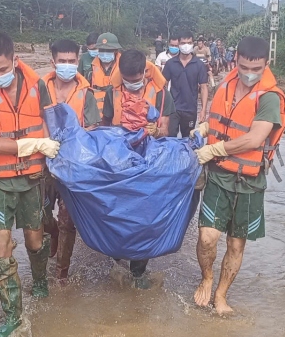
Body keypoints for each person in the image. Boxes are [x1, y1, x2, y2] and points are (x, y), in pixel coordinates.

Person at [0, 32, 60, 337]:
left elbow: (52, 124)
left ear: (14, 60)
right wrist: (32, 144)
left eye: (1, 69)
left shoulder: (38, 86)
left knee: (35, 240)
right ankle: (13, 316)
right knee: (1, 249)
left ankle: (41, 282)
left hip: (31, 180)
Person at [192, 37, 285, 315]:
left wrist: (216, 148)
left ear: (265, 65)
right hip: (219, 175)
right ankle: (207, 278)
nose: (249, 73)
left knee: (235, 243)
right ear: (236, 61)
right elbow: (223, 119)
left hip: (249, 180)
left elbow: (256, 137)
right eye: (244, 66)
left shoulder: (269, 97)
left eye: (256, 68)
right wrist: (204, 128)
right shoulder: (227, 84)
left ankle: (221, 295)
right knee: (208, 237)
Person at [101, 49, 172, 288]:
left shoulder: (161, 95)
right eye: (127, 80)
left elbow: (166, 131)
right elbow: (105, 125)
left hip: (148, 165)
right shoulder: (113, 93)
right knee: (117, 213)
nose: (131, 84)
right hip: (119, 162)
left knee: (144, 217)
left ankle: (139, 272)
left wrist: (155, 130)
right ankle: (117, 257)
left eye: (135, 79)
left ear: (144, 72)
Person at [42, 39, 102, 280]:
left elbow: (93, 128)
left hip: (74, 166)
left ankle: (61, 273)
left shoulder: (86, 93)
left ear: (78, 61)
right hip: (43, 163)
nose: (67, 65)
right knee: (41, 216)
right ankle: (52, 232)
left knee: (69, 221)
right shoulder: (39, 89)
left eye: (71, 61)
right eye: (62, 61)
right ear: (53, 62)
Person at [162, 32, 209, 138]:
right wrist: (162, 108)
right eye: (183, 43)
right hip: (173, 109)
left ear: (193, 44)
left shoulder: (199, 65)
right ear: (178, 44)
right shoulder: (170, 64)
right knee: (170, 138)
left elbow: (203, 88)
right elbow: (162, 86)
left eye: (189, 42)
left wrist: (203, 110)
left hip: (190, 109)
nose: (186, 45)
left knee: (188, 139)